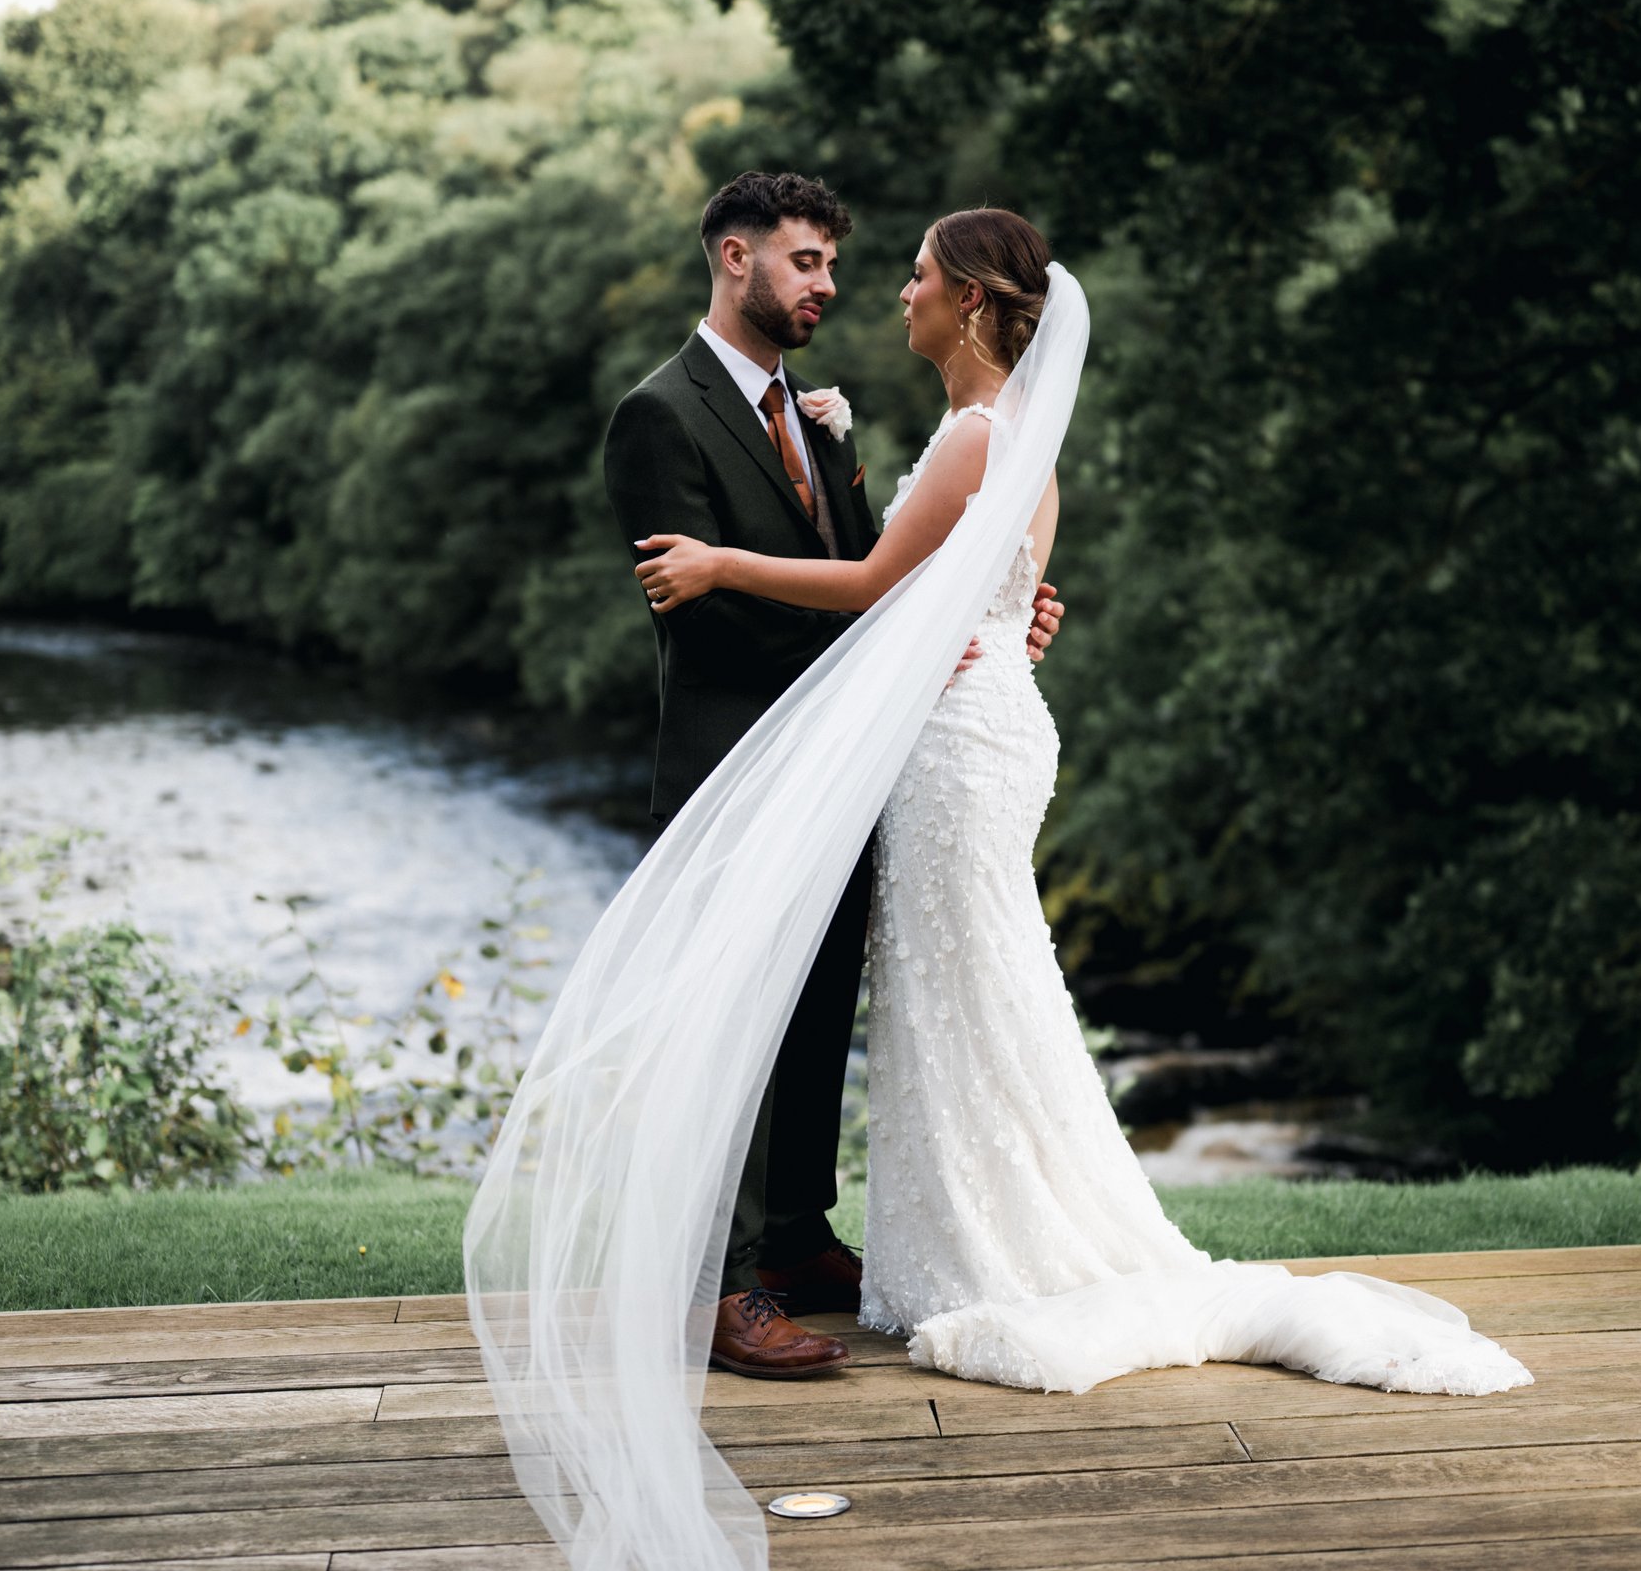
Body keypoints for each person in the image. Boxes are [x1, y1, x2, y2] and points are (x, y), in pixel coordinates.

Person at [464, 207, 1524, 1571]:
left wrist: (726, 559)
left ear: (969, 301)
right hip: (982, 721)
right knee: (980, 986)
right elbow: (977, 589)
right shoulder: (1016, 438)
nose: (883, 293)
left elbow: (872, 584)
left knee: (969, 985)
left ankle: (970, 1241)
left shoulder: (972, 434)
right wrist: (999, 620)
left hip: (958, 746)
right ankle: (938, 1229)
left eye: (908, 275)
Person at [595, 172, 1066, 1383]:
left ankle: (799, 1242)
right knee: (733, 1027)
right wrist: (909, 641)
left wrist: (983, 607)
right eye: (806, 262)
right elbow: (702, 619)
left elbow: (880, 566)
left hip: (852, 758)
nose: (830, 287)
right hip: (738, 759)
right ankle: (722, 1282)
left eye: (838, 266)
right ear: (735, 258)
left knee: (812, 1019)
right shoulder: (659, 414)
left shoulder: (815, 416)